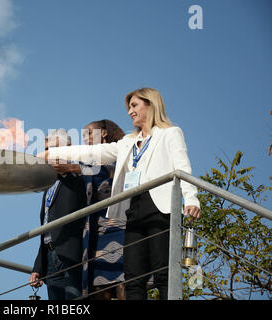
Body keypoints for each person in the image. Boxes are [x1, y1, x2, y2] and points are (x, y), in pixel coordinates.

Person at [39, 88, 201, 300]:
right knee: (133, 278)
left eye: (134, 106)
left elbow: (183, 169)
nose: (130, 112)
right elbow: (93, 153)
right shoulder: (128, 142)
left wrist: (191, 198)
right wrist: (52, 153)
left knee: (164, 272)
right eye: (128, 108)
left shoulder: (170, 133)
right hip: (133, 212)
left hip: (160, 209)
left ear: (150, 105)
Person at [51, 120, 127, 300]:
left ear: (104, 134)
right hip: (93, 232)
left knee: (123, 282)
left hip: (118, 227)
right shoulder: (87, 161)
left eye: (90, 134)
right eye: (84, 135)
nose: (86, 139)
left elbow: (111, 171)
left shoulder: (118, 152)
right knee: (99, 286)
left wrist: (73, 167)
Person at [30, 129, 87, 300]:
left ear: (68, 149)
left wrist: (71, 167)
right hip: (50, 259)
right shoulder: (48, 185)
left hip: (72, 256)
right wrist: (38, 267)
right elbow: (46, 229)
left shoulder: (80, 178)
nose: (49, 154)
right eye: (47, 149)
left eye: (54, 149)